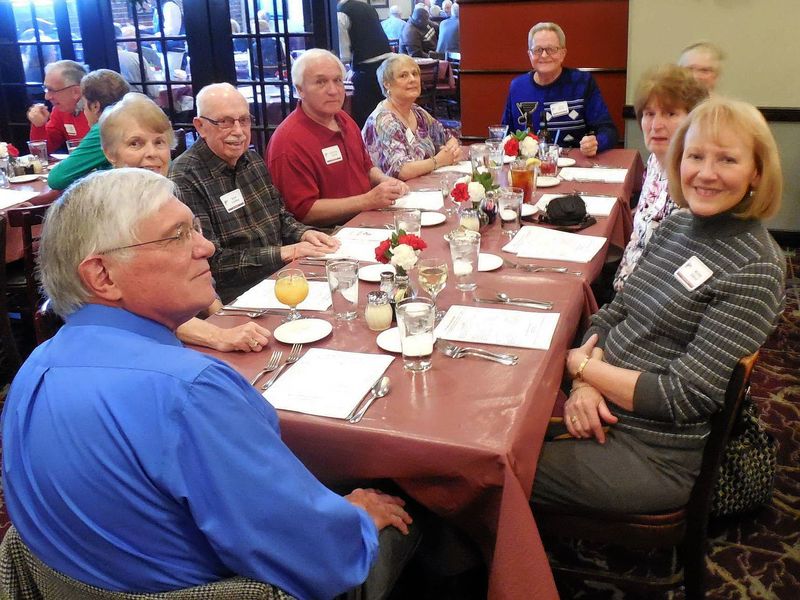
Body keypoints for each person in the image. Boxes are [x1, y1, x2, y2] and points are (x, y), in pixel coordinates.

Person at [1, 168, 417, 599]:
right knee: (417, 495)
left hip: (80, 582)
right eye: (177, 235)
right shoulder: (189, 390)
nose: (208, 246)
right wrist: (359, 518)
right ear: (103, 276)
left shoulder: (35, 368)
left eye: (194, 228)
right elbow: (322, 557)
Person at [532, 97, 786, 513]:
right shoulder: (677, 225)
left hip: (653, 453)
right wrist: (583, 386)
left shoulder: (756, 265)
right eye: (696, 156)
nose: (705, 174)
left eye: (726, 160)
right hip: (601, 407)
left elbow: (684, 395)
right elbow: (613, 313)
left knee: (496, 467)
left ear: (757, 172)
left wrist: (582, 367)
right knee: (485, 432)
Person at [100, 92, 271, 352]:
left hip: (189, 326)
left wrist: (223, 318)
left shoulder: (170, 198)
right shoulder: (104, 214)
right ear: (110, 153)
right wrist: (218, 335)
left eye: (159, 143)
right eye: (135, 144)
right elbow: (138, 309)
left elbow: (199, 274)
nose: (151, 154)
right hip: (135, 343)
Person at [170, 83, 340, 304]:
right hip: (238, 296)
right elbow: (213, 263)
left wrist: (304, 234)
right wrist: (286, 252)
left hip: (283, 277)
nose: (239, 132)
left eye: (244, 120)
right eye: (225, 122)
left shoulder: (252, 160)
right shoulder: (184, 178)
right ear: (200, 126)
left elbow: (281, 217)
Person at [267, 49, 408, 227]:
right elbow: (303, 212)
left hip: (366, 220)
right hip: (328, 235)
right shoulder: (288, 142)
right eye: (321, 82)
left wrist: (385, 180)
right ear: (300, 90)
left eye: (338, 81)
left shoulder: (344, 119)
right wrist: (367, 200)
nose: (333, 90)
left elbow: (366, 167)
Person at [612, 65, 708, 292]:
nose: (656, 125)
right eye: (649, 114)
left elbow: (679, 275)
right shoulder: (657, 160)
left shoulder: (696, 181)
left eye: (670, 113)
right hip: (626, 285)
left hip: (653, 299)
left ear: (693, 119)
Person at [501, 22, 618, 156]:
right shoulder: (517, 87)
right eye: (538, 50)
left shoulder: (582, 82)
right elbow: (506, 135)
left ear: (563, 53)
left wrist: (596, 142)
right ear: (529, 55)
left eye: (551, 49)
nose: (544, 55)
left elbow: (609, 130)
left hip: (573, 166)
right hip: (529, 168)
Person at [362, 54, 460, 180]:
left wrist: (451, 149)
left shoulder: (417, 111)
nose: (412, 79)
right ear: (387, 84)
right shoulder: (384, 121)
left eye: (415, 74)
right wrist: (438, 161)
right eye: (403, 75)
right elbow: (401, 170)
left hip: (422, 186)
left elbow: (446, 136)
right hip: (395, 193)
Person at [47, 69, 129, 190]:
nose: (83, 110)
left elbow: (56, 179)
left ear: (95, 106)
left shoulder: (106, 127)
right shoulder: (133, 118)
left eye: (84, 105)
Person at [337, 0, 394, 128]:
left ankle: (367, 143)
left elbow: (344, 54)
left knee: (366, 115)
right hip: (388, 62)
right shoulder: (368, 7)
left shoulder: (341, 12)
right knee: (387, 108)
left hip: (367, 69)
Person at [27, 59, 90, 153]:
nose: (47, 97)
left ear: (76, 92)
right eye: (46, 89)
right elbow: (41, 152)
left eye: (52, 90)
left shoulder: (96, 110)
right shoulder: (60, 110)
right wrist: (38, 125)